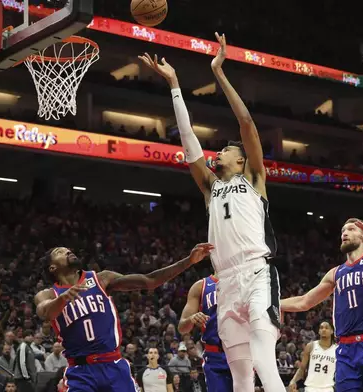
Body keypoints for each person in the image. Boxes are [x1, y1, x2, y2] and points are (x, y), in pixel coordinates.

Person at [139, 32, 282, 392]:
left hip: (257, 272)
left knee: (265, 360)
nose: (216, 153)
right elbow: (188, 141)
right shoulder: (210, 187)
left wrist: (219, 72)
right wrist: (174, 84)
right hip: (226, 282)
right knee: (241, 377)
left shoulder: (253, 176)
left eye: (224, 150)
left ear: (241, 159)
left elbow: (246, 123)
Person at [34, 244, 213, 392]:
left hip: (113, 365)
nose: (67, 251)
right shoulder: (48, 294)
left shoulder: (100, 279)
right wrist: (63, 298)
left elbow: (149, 281)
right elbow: (45, 312)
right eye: (60, 252)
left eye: (68, 249)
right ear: (53, 267)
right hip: (81, 372)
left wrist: (188, 261)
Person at [281, 218, 363, 392]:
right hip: (345, 348)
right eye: (343, 230)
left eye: (351, 229)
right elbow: (304, 302)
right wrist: (275, 304)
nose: (344, 232)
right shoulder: (335, 273)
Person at [178, 275, 233, 392]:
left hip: (241, 351)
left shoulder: (244, 280)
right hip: (214, 356)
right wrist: (191, 318)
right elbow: (182, 328)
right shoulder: (200, 286)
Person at [288, 321, 337, 392]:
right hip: (310, 387)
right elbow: (302, 368)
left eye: (326, 328)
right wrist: (293, 380)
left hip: (328, 388)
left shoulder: (336, 349)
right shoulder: (310, 346)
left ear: (332, 331)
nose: (323, 330)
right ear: (319, 331)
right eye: (321, 328)